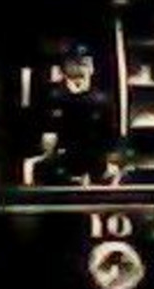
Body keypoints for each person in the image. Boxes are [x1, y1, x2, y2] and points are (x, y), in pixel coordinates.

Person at [40, 43, 117, 186]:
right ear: (65, 67)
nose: (80, 67)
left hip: (95, 161)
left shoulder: (101, 100)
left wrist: (111, 160)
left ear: (92, 67)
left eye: (85, 63)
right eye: (74, 63)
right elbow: (48, 132)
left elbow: (108, 133)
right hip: (63, 161)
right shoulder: (54, 98)